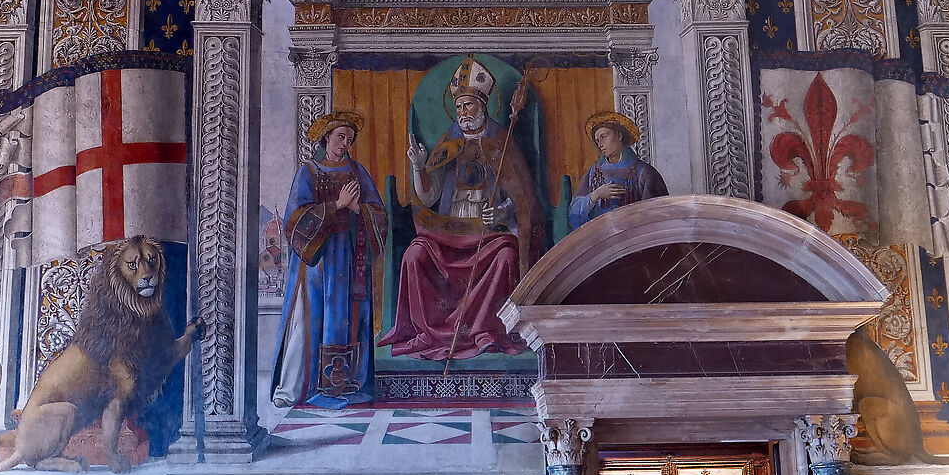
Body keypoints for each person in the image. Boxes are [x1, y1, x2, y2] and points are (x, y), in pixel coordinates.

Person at [382, 59, 540, 363]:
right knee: (414, 256)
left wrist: (504, 213)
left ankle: (484, 331)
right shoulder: (449, 142)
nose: (463, 112)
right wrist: (418, 166)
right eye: (460, 107)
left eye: (469, 105)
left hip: (489, 235)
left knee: (507, 255)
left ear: (482, 106)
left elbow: (522, 200)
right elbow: (428, 196)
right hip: (447, 234)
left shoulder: (500, 143)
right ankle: (430, 332)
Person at [273, 111, 382, 408]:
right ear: (326, 138)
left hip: (349, 259)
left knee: (348, 318)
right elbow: (294, 221)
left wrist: (358, 208)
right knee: (306, 321)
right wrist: (337, 205)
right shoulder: (307, 172)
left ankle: (346, 382)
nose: (344, 143)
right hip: (316, 260)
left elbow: (378, 214)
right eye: (339, 137)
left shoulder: (358, 172)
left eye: (349, 138)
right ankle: (294, 389)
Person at [569, 111, 666, 228]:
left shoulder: (644, 172)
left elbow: (658, 215)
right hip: (600, 238)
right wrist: (596, 195)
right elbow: (573, 214)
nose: (600, 144)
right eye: (597, 140)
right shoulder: (593, 173)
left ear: (619, 136)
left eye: (604, 137)